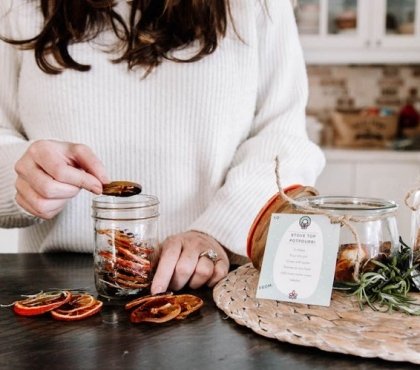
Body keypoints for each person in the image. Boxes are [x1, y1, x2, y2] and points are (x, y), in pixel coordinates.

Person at [0, 0, 325, 294]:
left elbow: (283, 136)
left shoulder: (259, 6)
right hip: (57, 286)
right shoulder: (15, 7)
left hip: (214, 280)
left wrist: (218, 233)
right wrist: (19, 177)